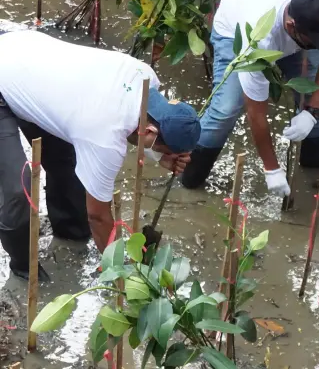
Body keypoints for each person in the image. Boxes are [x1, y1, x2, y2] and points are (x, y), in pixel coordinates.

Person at [0, 30, 201, 280]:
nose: (162, 154)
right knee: (17, 192)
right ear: (149, 132)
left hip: (29, 56)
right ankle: (22, 268)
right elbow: (98, 215)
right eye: (163, 149)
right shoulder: (104, 136)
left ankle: (71, 235)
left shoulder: (147, 78)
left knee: (67, 165)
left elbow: (138, 131)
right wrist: (123, 275)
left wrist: (160, 156)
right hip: (8, 70)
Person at [181, 0, 319, 195]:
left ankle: (313, 182)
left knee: (318, 105)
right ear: (291, 26)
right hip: (235, 28)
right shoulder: (258, 41)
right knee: (226, 109)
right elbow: (256, 112)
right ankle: (190, 179)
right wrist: (272, 169)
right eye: (315, 41)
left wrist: (312, 112)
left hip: (284, 19)